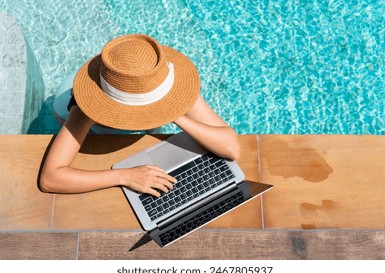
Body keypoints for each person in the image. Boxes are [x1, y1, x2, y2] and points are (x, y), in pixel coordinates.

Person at [39, 34, 240, 197]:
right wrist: (124, 176)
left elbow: (231, 148)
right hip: (76, 112)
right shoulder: (87, 105)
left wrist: (174, 113)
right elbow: (50, 178)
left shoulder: (161, 82)